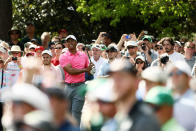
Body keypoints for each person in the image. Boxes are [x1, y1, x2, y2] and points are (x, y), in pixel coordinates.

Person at [109, 59, 160, 131]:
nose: (115, 83)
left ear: (136, 82)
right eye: (113, 78)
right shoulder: (113, 115)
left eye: (121, 77)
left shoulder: (145, 120)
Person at [59, 35, 93, 125]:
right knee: (67, 114)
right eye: (68, 41)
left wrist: (91, 70)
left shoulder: (84, 55)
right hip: (68, 87)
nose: (70, 43)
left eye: (72, 41)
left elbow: (89, 71)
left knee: (76, 113)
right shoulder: (63, 56)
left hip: (80, 86)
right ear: (66, 44)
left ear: (76, 42)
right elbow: (70, 71)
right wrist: (86, 70)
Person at [167, 61, 196, 131]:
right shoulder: (166, 100)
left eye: (179, 72)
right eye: (171, 74)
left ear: (189, 77)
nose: (174, 76)